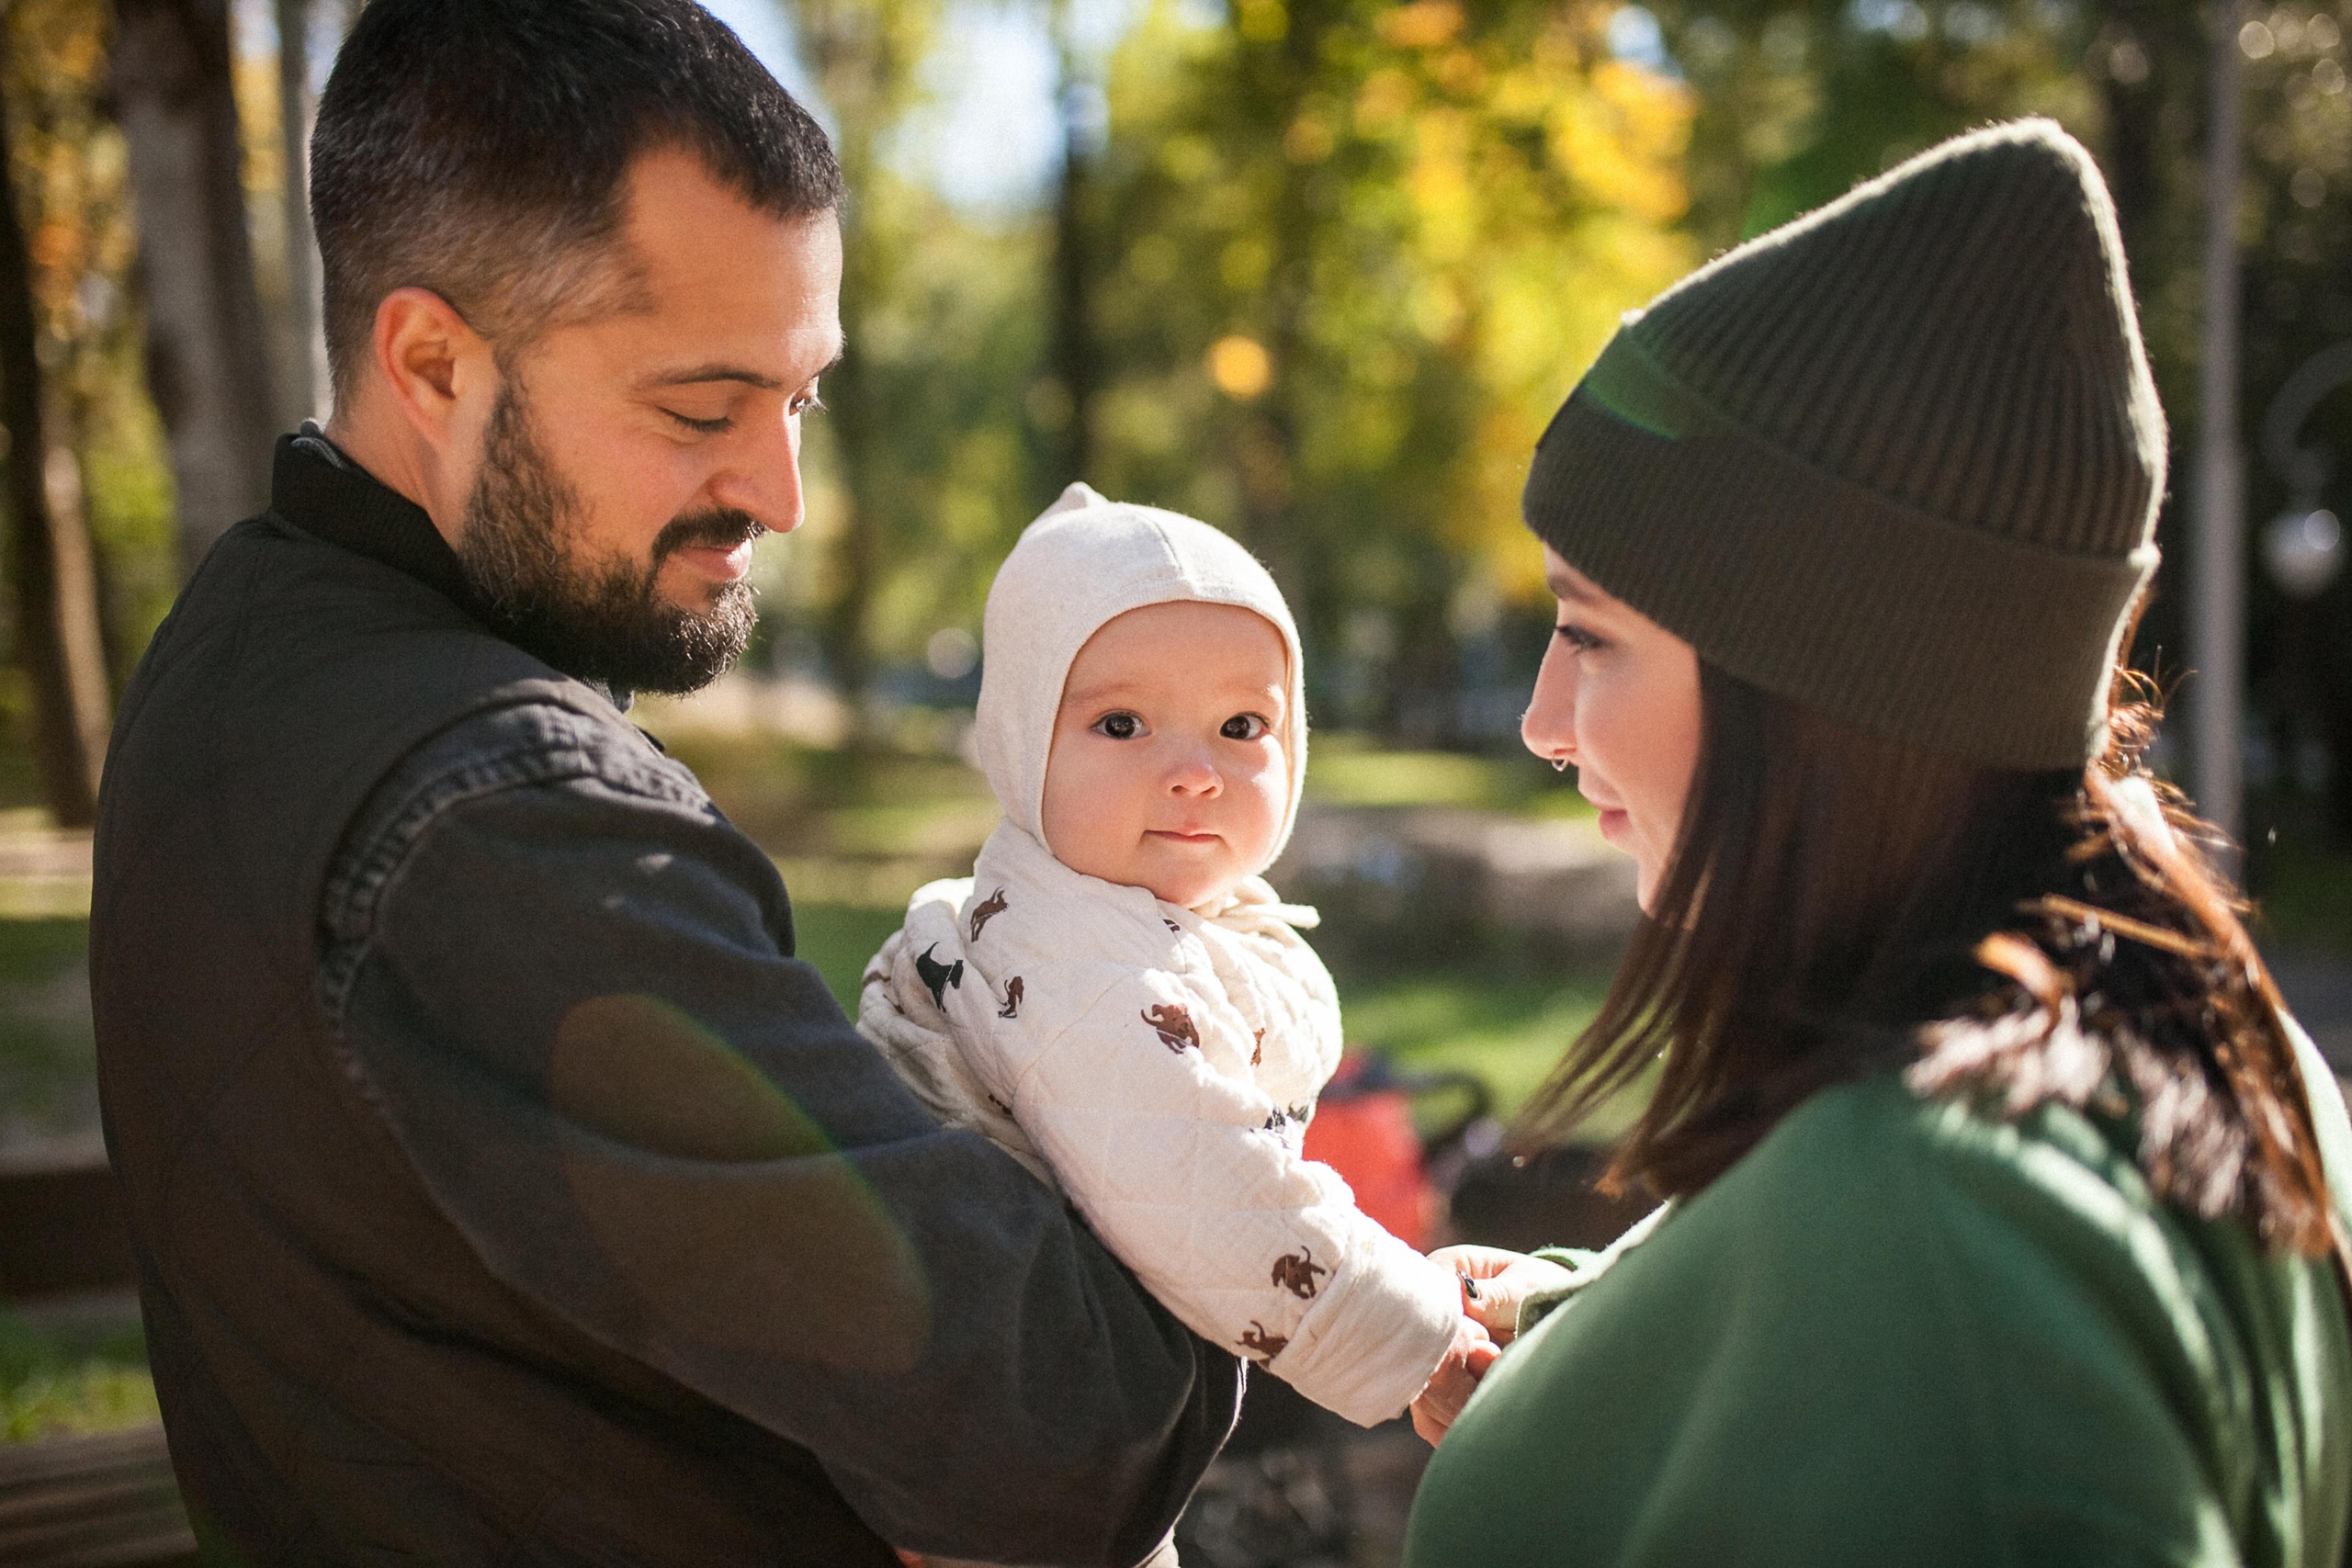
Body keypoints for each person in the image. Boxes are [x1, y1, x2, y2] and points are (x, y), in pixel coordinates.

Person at [86, 4, 1286, 1562]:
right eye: (701, 409)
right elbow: (1065, 1430)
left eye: (802, 397)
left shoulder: (246, 645)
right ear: (433, 360)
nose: (778, 490)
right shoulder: (492, 819)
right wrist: (1217, 1108)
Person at [1401, 119, 2352, 1565]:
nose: (1542, 717)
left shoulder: (1934, 1248)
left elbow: (1954, 1379)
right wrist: (1586, 1326)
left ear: (1824, 686)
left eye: (1591, 631)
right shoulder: (2229, 1054)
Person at [856, 484, 1487, 1460]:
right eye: (1122, 726)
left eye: (1242, 728)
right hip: (986, 1420)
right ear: (1021, 743)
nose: (1195, 772)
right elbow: (1201, 1188)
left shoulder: (1158, 920)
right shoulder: (1068, 958)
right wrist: (1422, 1339)